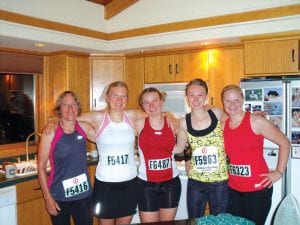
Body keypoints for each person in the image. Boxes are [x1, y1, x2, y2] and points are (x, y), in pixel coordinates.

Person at [77, 81, 147, 225]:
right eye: (115, 96)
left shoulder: (132, 116)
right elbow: (70, 119)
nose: (119, 100)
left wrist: (169, 115)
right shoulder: (98, 118)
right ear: (107, 98)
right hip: (105, 185)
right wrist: (53, 122)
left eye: (123, 96)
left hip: (130, 183)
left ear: (127, 99)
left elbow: (156, 114)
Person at [221, 84, 290, 225]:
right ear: (223, 103)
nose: (232, 104)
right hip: (232, 189)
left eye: (236, 100)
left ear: (243, 100)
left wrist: (278, 172)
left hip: (257, 191)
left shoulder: (256, 121)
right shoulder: (223, 124)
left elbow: (285, 142)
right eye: (227, 101)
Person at [38, 91, 96, 225]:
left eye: (73, 104)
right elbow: (41, 168)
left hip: (84, 195)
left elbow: (105, 136)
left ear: (78, 108)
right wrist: (48, 199)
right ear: (59, 109)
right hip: (59, 196)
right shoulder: (50, 132)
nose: (70, 108)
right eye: (65, 105)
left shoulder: (84, 128)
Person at [174, 78, 229, 218]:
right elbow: (180, 147)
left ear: (206, 96)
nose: (196, 99)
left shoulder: (216, 113)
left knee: (219, 221)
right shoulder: (183, 122)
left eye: (200, 95)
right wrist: (187, 158)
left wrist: (251, 117)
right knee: (195, 220)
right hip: (196, 181)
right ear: (187, 97)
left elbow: (236, 126)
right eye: (192, 95)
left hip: (219, 181)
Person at [135, 87, 181, 223]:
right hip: (145, 185)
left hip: (171, 184)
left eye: (155, 101)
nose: (151, 105)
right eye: (146, 102)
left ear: (161, 102)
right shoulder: (138, 123)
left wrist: (170, 114)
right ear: (142, 106)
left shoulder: (173, 122)